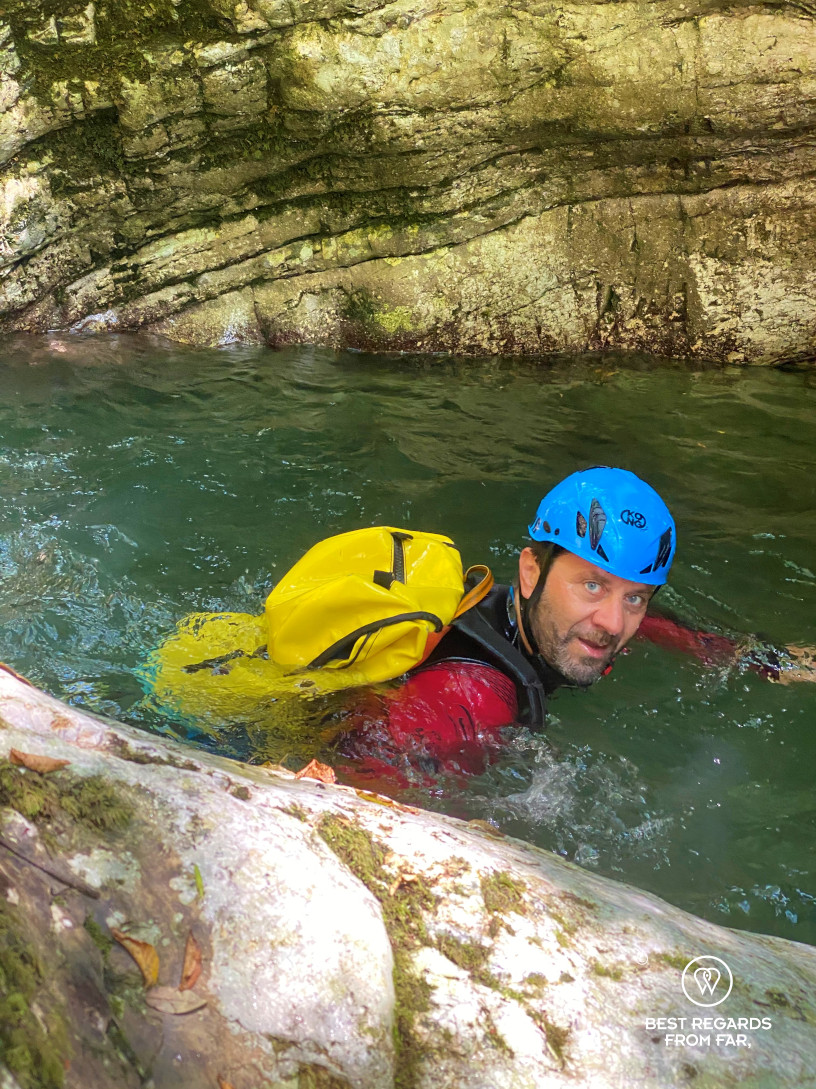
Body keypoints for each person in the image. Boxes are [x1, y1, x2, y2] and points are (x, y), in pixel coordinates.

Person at [337, 467, 814, 787]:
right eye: (591, 586)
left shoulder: (534, 613)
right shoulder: (474, 696)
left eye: (634, 597)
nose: (613, 624)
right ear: (531, 573)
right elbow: (371, 794)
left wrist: (769, 662)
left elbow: (659, 625)